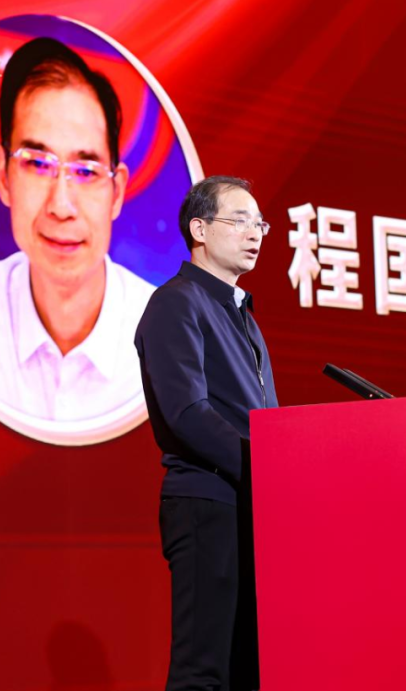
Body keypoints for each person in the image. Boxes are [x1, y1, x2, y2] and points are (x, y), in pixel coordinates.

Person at [0, 37, 154, 423]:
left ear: (116, 192)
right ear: (3, 176)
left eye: (86, 171)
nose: (61, 206)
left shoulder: (172, 339)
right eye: (36, 163)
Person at [135, 176, 277, 691]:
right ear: (198, 229)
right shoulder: (177, 302)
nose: (254, 233)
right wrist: (269, 465)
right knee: (204, 671)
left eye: (259, 223)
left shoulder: (242, 316)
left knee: (250, 668)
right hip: (206, 502)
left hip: (251, 504)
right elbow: (188, 413)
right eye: (239, 221)